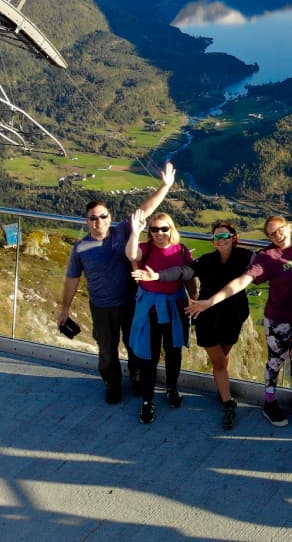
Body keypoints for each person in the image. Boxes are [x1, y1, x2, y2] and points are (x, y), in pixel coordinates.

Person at [186, 183, 292, 427]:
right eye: (272, 233)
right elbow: (240, 282)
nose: (278, 235)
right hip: (279, 319)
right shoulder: (266, 257)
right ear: (269, 237)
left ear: (289, 227)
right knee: (275, 361)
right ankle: (270, 402)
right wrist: (210, 301)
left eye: (280, 229)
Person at [57, 162, 175, 405]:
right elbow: (72, 279)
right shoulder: (80, 248)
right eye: (93, 218)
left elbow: (145, 208)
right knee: (107, 350)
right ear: (87, 221)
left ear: (110, 218)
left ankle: (137, 378)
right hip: (101, 307)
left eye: (103, 216)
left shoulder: (122, 232)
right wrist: (65, 308)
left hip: (130, 302)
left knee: (134, 345)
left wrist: (165, 186)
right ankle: (112, 384)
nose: (98, 221)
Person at [133, 221, 252, 430]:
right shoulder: (207, 260)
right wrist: (158, 276)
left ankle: (223, 392)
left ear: (234, 237)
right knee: (220, 362)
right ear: (213, 241)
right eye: (217, 237)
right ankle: (227, 401)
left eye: (225, 236)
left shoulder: (246, 257)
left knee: (223, 357)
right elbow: (183, 272)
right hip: (207, 315)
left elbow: (266, 264)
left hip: (233, 316)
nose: (220, 240)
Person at [125, 211, 197, 424]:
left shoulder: (182, 251)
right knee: (149, 355)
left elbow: (189, 276)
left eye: (164, 228)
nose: (159, 233)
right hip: (151, 310)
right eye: (154, 229)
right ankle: (147, 400)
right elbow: (131, 255)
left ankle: (171, 389)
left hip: (175, 306)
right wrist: (135, 232)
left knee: (174, 351)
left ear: (171, 229)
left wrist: (194, 299)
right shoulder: (145, 249)